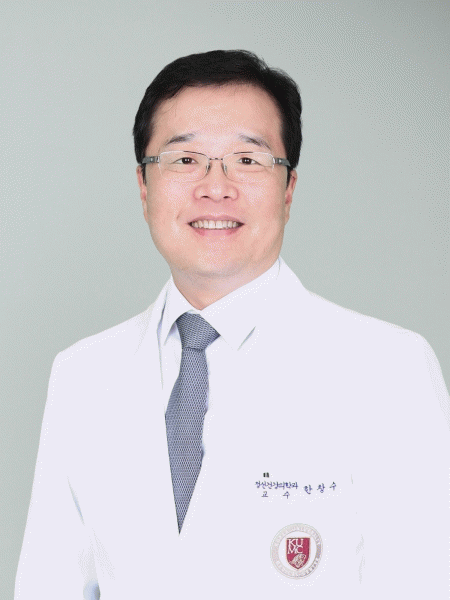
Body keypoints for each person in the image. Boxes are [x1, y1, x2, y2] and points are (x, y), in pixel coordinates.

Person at [15, 50, 449, 599]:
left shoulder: (389, 369)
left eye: (247, 159)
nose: (215, 187)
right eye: (185, 159)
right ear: (144, 187)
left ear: (288, 189)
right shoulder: (83, 374)